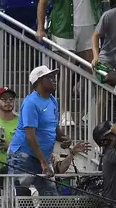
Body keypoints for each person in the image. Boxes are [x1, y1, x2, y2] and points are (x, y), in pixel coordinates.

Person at [8, 66, 71, 196]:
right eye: (49, 77)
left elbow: (53, 126)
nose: (54, 80)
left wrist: (63, 138)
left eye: (53, 77)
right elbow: (30, 136)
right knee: (19, 200)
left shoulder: (52, 100)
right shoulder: (31, 103)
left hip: (42, 157)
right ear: (39, 82)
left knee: (51, 198)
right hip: (23, 156)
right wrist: (43, 162)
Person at [37, 0, 111, 63]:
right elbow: (43, 1)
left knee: (90, 70)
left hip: (89, 26)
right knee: (66, 71)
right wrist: (40, 28)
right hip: (63, 28)